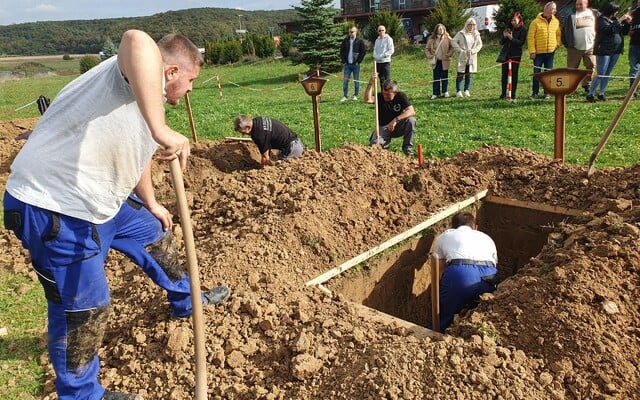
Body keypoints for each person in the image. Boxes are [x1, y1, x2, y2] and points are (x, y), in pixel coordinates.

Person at [3, 30, 231, 400]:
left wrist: (152, 202)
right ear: (170, 70)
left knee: (155, 234)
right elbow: (137, 40)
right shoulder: (133, 70)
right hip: (54, 205)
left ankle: (185, 300)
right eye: (190, 81)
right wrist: (161, 129)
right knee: (84, 308)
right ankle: (81, 394)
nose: (190, 90)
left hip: (100, 202)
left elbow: (134, 151)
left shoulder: (147, 98)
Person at [433, 212, 498, 331]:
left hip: (462, 274)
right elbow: (494, 264)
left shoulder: (446, 235)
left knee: (447, 318)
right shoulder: (487, 238)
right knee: (483, 317)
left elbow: (439, 269)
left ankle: (437, 335)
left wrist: (443, 293)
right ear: (475, 227)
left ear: (452, 228)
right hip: (489, 275)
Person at [587, 3, 631, 102]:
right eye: (616, 10)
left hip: (615, 50)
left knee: (607, 73)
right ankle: (591, 93)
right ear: (610, 11)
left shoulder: (614, 20)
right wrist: (619, 20)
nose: (617, 12)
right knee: (601, 73)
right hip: (604, 50)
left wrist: (627, 23)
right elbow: (607, 30)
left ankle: (601, 93)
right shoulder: (601, 20)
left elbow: (623, 32)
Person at [364, 72, 416, 156]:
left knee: (411, 120)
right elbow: (367, 99)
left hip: (398, 126)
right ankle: (383, 146)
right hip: (383, 127)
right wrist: (371, 83)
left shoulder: (401, 96)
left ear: (395, 93)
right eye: (384, 93)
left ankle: (407, 149)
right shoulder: (379, 97)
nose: (385, 96)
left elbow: (411, 111)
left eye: (388, 94)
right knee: (374, 147)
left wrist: (395, 120)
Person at [234, 115, 304, 165]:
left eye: (243, 132)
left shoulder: (258, 134)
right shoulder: (258, 120)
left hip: (293, 150)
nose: (243, 135)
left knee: (281, 168)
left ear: (248, 127)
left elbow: (265, 158)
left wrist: (263, 171)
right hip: (295, 144)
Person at [562, 0, 598, 93]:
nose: (578, 6)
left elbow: (599, 27)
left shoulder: (594, 13)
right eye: (577, 4)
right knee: (572, 68)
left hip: (590, 47)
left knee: (591, 66)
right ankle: (572, 86)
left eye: (580, 4)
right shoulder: (571, 16)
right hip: (574, 48)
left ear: (586, 4)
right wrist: (567, 44)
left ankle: (587, 84)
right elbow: (564, 31)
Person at [528, 1, 561, 99]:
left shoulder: (556, 21)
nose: (555, 10)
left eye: (555, 9)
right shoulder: (535, 22)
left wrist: (557, 44)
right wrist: (532, 51)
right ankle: (535, 92)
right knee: (537, 73)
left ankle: (547, 92)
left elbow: (558, 34)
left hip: (550, 52)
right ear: (546, 9)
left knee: (548, 73)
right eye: (553, 8)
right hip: (538, 53)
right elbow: (530, 37)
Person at [498, 12, 527, 102]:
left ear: (519, 20)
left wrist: (511, 38)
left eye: (514, 20)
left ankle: (513, 94)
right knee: (504, 75)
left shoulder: (523, 30)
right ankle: (503, 93)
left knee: (514, 75)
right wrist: (504, 36)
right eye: (512, 20)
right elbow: (501, 42)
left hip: (516, 55)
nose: (513, 22)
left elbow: (521, 43)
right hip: (506, 55)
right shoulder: (509, 28)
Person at [451, 17, 483, 98]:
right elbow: (453, 41)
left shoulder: (476, 34)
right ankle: (458, 91)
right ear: (466, 24)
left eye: (473, 24)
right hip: (462, 56)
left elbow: (480, 44)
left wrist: (473, 51)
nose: (471, 26)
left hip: (471, 56)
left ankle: (467, 90)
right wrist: (460, 50)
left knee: (469, 74)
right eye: (470, 24)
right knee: (460, 73)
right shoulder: (461, 33)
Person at [425, 23, 454, 99]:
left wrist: (449, 54)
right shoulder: (431, 39)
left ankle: (445, 91)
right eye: (439, 29)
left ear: (444, 29)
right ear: (436, 30)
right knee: (436, 77)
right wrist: (430, 56)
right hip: (436, 61)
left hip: (445, 60)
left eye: (442, 29)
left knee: (445, 77)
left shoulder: (448, 38)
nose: (441, 30)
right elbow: (427, 49)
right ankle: (435, 93)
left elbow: (452, 47)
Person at [340, 26, 366, 102]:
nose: (351, 33)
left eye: (352, 32)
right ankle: (345, 96)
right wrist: (344, 61)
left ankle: (356, 95)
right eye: (350, 32)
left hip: (356, 65)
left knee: (356, 80)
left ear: (356, 32)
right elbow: (341, 51)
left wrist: (359, 61)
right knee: (345, 81)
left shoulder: (360, 41)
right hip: (347, 65)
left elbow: (363, 52)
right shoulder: (345, 41)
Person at [628, 0, 640, 97]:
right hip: (634, 45)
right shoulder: (633, 13)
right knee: (634, 68)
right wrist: (629, 30)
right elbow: (627, 28)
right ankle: (633, 91)